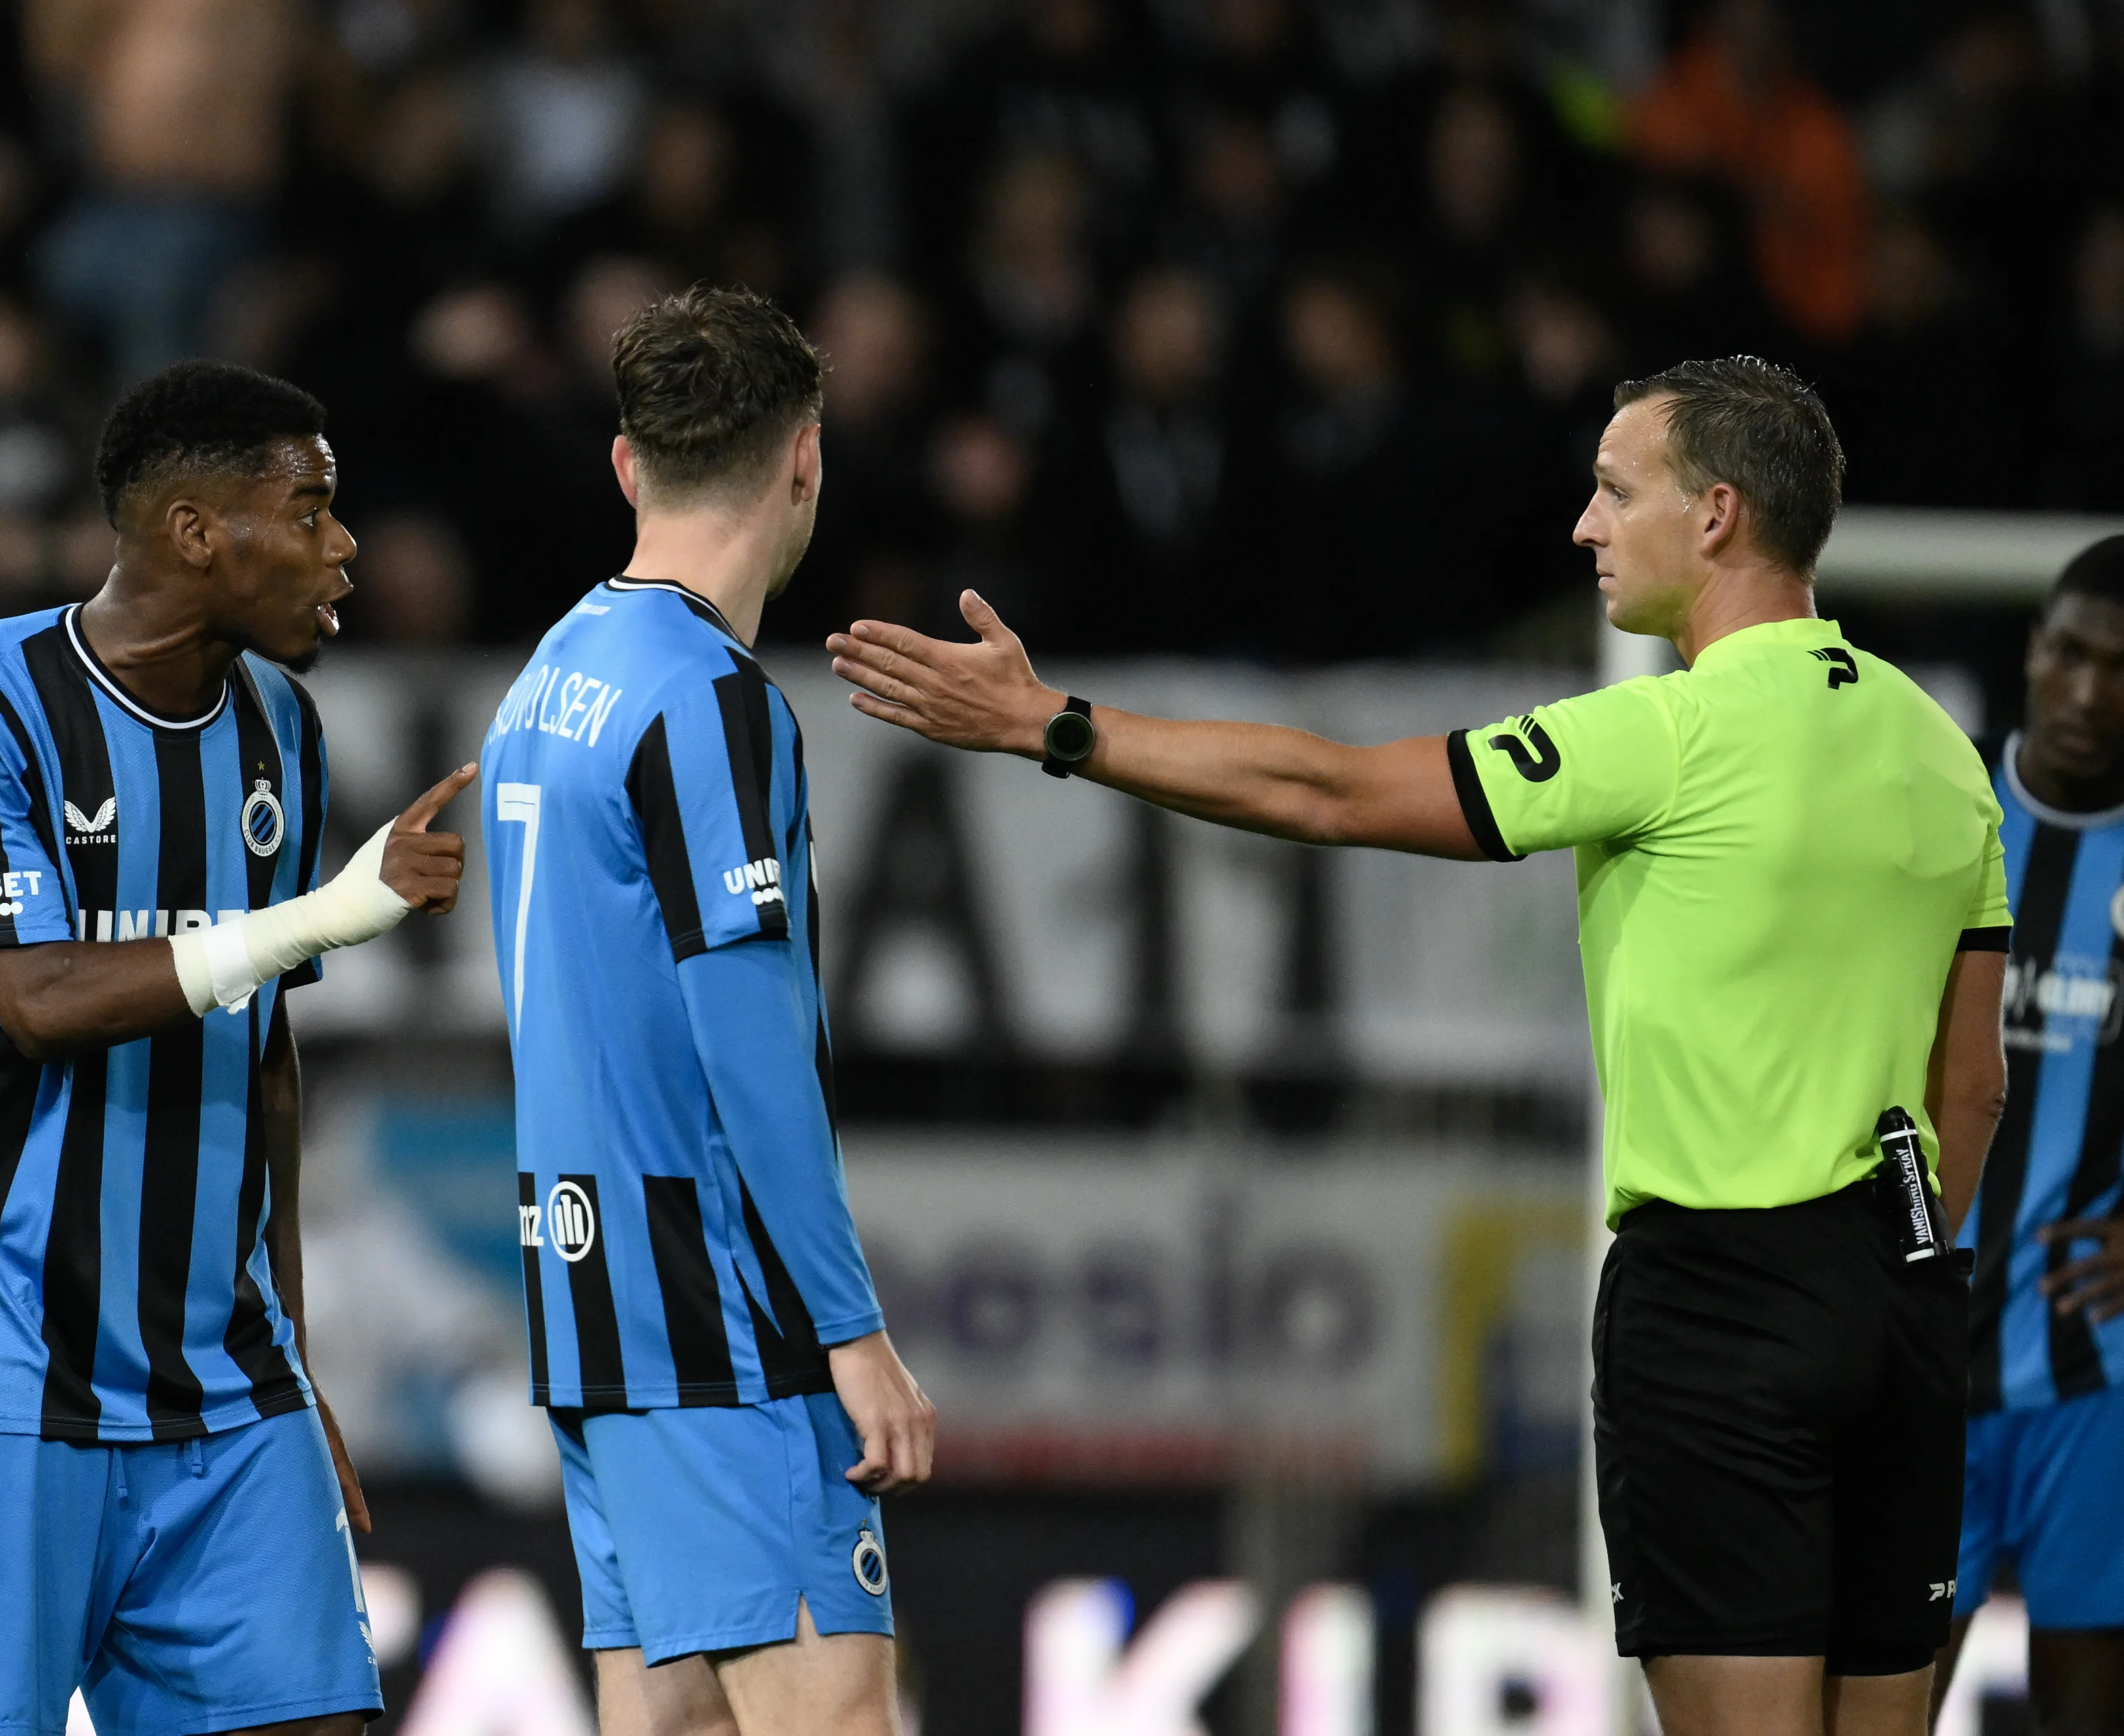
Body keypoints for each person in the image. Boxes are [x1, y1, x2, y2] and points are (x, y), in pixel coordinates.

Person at [827, 355, 2010, 1736]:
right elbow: (1973, 1081)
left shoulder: (1671, 731)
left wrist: (1055, 725)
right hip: (1903, 1293)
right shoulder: (1941, 747)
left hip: (1721, 1304)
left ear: (1718, 517)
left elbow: (1329, 792)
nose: (1584, 524)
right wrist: (1890, 1275)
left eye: (1617, 490)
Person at [0, 359, 478, 1736]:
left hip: (225, 1393)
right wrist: (317, 915)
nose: (345, 546)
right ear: (198, 533)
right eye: (310, 510)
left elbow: (267, 1057)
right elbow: (41, 994)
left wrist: (299, 1358)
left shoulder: (281, 731)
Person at [479, 284, 937, 1736]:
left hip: (591, 1294)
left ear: (630, 465)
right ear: (807, 458)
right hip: (722, 1318)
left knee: (678, 1721)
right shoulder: (710, 700)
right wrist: (849, 1327)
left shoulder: (549, 675)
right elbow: (749, 1044)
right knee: (835, 1714)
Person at [1936, 536, 2124, 1736]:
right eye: (2070, 654)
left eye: (2123, 667)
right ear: (2032, 653)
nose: (2092, 692)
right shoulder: (1941, 822)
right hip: (1921, 1356)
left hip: (2092, 1374)